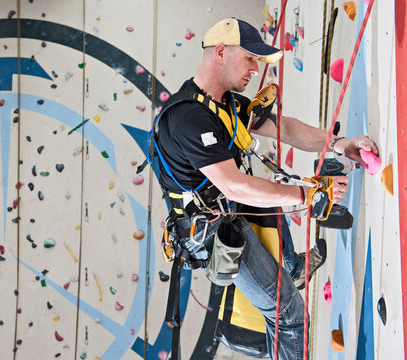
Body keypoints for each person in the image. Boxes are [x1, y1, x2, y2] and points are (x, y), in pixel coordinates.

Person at [154, 18, 380, 359]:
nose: (255, 68)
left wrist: (338, 144)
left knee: (269, 191)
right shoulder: (189, 118)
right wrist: (310, 194)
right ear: (220, 52)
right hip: (216, 234)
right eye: (249, 58)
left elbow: (283, 129)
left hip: (230, 210)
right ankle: (289, 273)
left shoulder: (225, 103)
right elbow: (235, 186)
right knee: (289, 316)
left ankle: (291, 266)